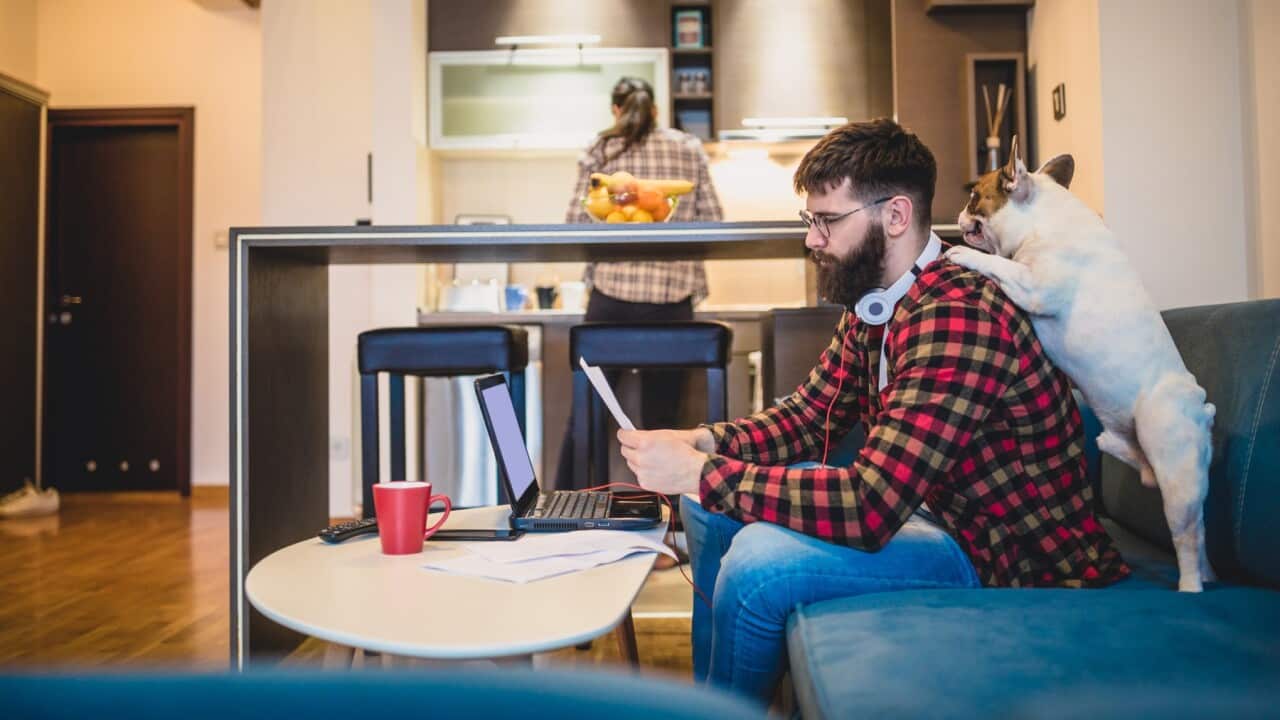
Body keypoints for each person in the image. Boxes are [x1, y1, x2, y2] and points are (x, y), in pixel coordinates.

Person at [616, 119, 1129, 701]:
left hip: (1006, 555)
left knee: (759, 564)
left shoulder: (957, 312)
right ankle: (711, 702)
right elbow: (810, 418)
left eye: (827, 221)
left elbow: (869, 505)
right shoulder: (879, 301)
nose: (813, 239)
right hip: (936, 512)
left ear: (895, 216)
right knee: (707, 507)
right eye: (811, 220)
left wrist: (699, 472)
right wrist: (702, 441)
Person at [557, 77, 723, 509]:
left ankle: (566, 510)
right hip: (673, 302)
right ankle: (666, 525)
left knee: (587, 414)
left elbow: (575, 221)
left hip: (612, 298)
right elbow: (714, 220)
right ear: (656, 110)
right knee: (664, 423)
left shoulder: (601, 149)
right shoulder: (687, 148)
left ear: (617, 110)